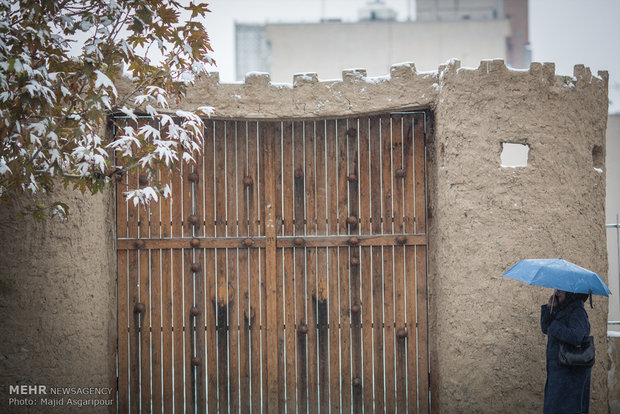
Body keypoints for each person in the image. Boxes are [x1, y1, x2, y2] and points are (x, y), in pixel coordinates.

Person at [540, 290, 591, 414]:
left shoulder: (578, 311)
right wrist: (549, 308)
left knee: (565, 409)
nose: (556, 292)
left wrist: (554, 324)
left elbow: (576, 336)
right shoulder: (563, 309)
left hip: (570, 374)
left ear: (571, 292)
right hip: (559, 371)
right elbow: (546, 329)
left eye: (560, 290)